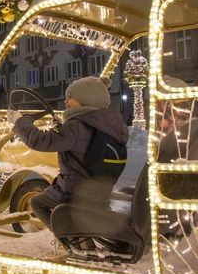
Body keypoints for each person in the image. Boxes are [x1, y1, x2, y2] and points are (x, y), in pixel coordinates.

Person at [7, 76, 128, 230]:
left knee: (36, 202)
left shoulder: (75, 126)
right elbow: (80, 142)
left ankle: (66, 236)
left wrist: (19, 121)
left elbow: (39, 141)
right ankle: (78, 237)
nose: (66, 101)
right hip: (99, 189)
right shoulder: (106, 124)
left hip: (74, 190)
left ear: (85, 99)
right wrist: (61, 127)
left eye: (70, 97)